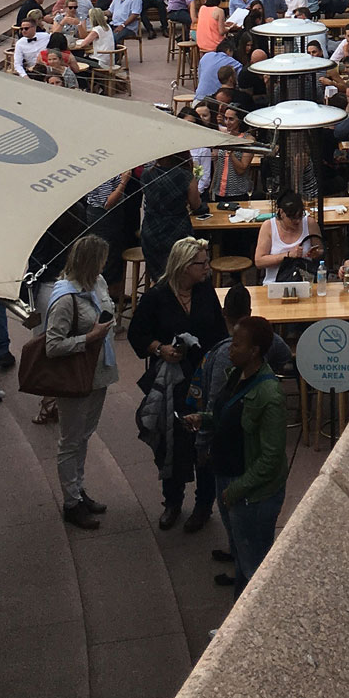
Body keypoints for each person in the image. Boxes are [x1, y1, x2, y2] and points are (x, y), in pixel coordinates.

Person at [127, 237, 224, 531]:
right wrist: (159, 348)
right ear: (184, 266)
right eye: (202, 263)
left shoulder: (206, 291)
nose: (208, 267)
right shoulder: (157, 296)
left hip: (204, 378)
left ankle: (204, 505)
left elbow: (219, 331)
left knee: (204, 442)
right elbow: (136, 334)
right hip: (173, 383)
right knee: (172, 441)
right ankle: (172, 501)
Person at [209, 316, 287, 595]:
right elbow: (226, 415)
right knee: (242, 556)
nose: (230, 348)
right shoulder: (236, 375)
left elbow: (271, 459)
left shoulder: (270, 395)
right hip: (229, 479)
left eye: (237, 343)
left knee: (254, 566)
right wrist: (204, 419)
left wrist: (236, 490)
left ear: (254, 351)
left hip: (250, 495)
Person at [44, 234, 118, 530]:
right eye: (101, 260)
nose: (105, 265)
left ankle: (78, 489)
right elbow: (52, 345)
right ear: (90, 263)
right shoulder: (64, 298)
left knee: (85, 434)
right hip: (76, 375)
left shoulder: (97, 283)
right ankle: (70, 502)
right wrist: (89, 338)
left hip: (98, 371)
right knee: (70, 439)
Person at [138, 151, 202, 283]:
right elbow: (196, 204)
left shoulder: (146, 174)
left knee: (159, 277)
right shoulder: (186, 177)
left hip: (151, 231)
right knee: (179, 274)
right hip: (177, 231)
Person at [254, 192, 324, 283]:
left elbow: (321, 251)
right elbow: (259, 261)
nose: (297, 221)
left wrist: (316, 253)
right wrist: (288, 255)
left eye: (300, 216)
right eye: (292, 218)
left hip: (305, 281)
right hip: (275, 283)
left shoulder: (310, 223)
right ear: (281, 212)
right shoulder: (268, 226)